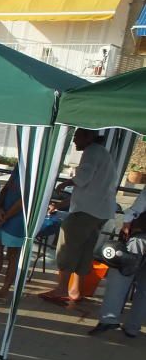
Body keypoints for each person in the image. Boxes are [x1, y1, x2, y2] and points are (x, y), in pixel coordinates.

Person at [39, 128, 117, 304]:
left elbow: (82, 179)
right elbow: (89, 189)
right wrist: (59, 205)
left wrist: (64, 183)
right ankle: (75, 290)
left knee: (67, 246)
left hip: (86, 212)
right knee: (84, 250)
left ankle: (62, 288)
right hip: (100, 211)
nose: (74, 141)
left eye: (76, 137)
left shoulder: (91, 152)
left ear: (88, 137)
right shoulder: (103, 153)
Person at [90, 189, 146, 338]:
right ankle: (133, 327)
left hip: (142, 236)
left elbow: (137, 208)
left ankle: (109, 318)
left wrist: (127, 224)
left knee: (120, 277)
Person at [0, 168, 24, 301]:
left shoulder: (36, 167)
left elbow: (25, 200)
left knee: (13, 255)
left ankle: (5, 288)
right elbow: (6, 188)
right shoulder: (19, 165)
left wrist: (5, 216)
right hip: (3, 213)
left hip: (19, 219)